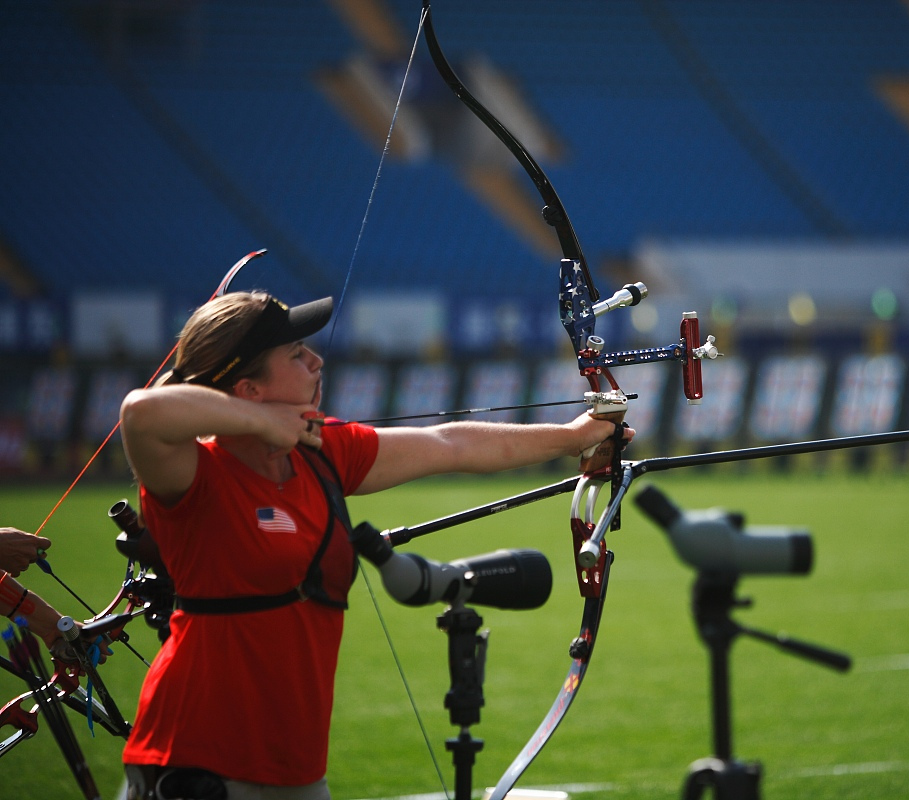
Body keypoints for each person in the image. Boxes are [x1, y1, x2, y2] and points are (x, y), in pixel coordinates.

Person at [118, 290, 631, 800]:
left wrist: (576, 436)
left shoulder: (320, 451)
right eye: (295, 355)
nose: (316, 361)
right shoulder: (196, 475)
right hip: (193, 759)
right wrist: (264, 422)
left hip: (296, 767)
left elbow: (450, 444)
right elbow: (141, 412)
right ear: (249, 389)